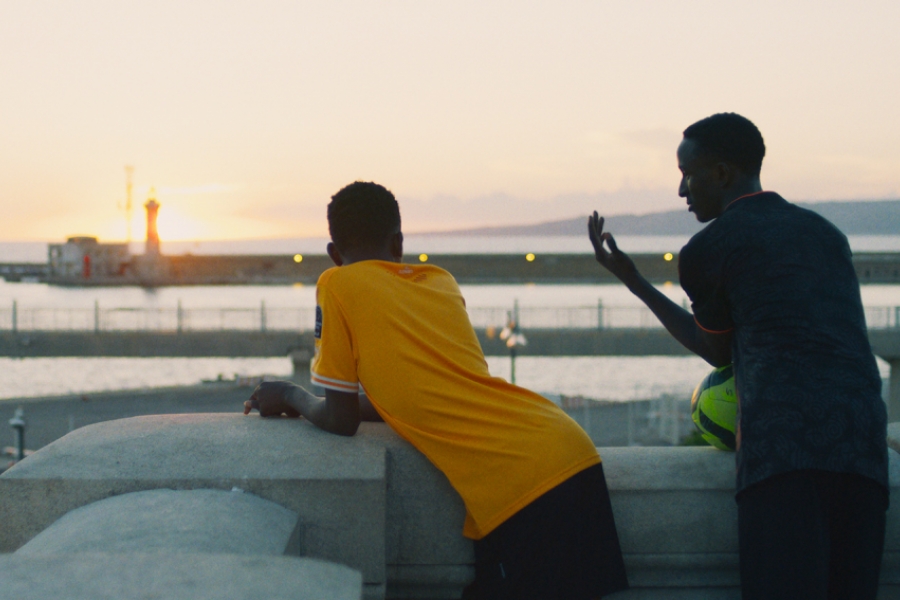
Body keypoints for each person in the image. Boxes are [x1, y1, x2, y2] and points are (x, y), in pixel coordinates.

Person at [244, 181, 629, 600]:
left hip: (523, 486)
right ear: (399, 243)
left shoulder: (336, 283)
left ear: (334, 253)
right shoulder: (440, 281)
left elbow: (341, 419)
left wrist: (291, 395)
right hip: (566, 448)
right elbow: (425, 391)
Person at [589, 112, 889, 600]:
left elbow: (715, 348)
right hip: (863, 449)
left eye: (687, 174)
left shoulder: (710, 247)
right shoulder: (826, 233)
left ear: (722, 173)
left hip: (784, 454)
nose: (682, 191)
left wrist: (634, 281)